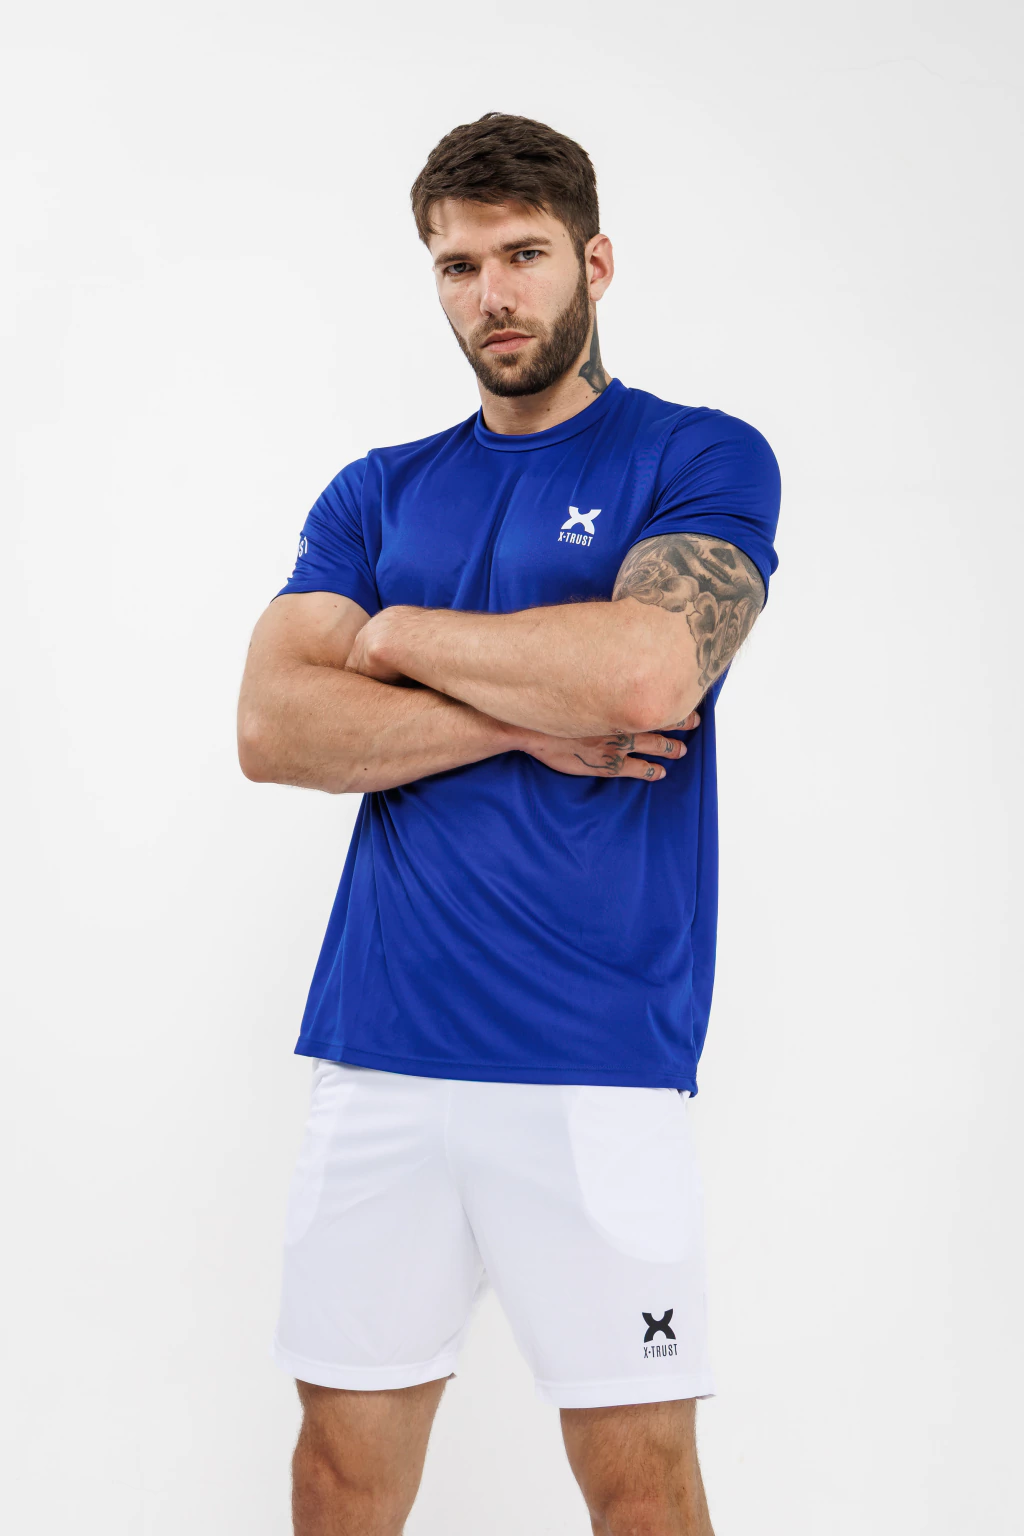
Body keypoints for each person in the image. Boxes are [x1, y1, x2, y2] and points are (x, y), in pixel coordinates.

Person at [237, 111, 781, 1536]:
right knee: (336, 1475)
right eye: (459, 264)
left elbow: (650, 672)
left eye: (525, 254)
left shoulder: (698, 455)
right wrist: (524, 717)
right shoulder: (380, 488)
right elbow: (272, 728)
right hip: (380, 1050)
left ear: (593, 261)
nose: (493, 293)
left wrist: (394, 637)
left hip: (594, 1062)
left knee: (640, 1488)